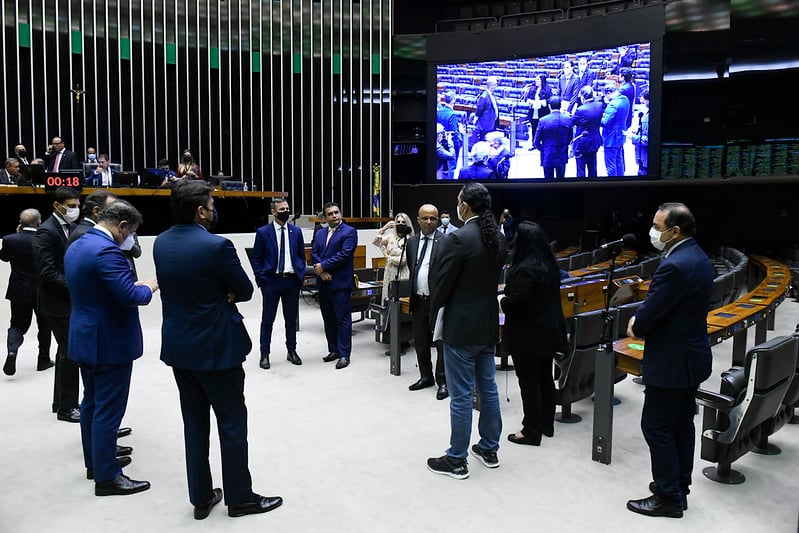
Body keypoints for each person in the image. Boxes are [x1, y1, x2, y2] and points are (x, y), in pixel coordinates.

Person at [154, 180, 282, 519]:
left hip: (180, 349)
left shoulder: (161, 243)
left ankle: (201, 496)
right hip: (217, 350)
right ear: (200, 210)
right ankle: (240, 497)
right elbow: (244, 289)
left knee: (194, 425)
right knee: (231, 424)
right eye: (212, 204)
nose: (215, 208)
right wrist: (224, 292)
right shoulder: (217, 246)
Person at [625, 202, 713, 519]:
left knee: (657, 427)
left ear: (674, 231)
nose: (652, 232)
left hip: (671, 361)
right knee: (680, 425)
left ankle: (668, 497)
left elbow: (650, 314)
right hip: (691, 356)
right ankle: (679, 487)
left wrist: (637, 322)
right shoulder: (699, 257)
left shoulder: (674, 265)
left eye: (657, 227)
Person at [64, 200, 157, 496]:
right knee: (107, 410)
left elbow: (102, 288)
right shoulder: (108, 251)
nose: (129, 240)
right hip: (108, 340)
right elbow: (131, 296)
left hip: (84, 334)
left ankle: (96, 462)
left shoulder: (79, 243)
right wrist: (149, 286)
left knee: (91, 403)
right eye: (130, 233)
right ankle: (107, 477)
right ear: (123, 227)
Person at [427, 183, 506, 479]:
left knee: (460, 396)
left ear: (466, 206)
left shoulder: (458, 238)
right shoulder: (497, 236)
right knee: (488, 389)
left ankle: (456, 459)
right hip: (487, 324)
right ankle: (489, 447)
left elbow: (441, 283)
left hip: (461, 327)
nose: (457, 205)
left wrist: (434, 310)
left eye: (458, 200)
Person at [499, 222, 566, 446]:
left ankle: (531, 430)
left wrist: (501, 301)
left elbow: (518, 302)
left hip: (529, 333)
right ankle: (547, 424)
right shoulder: (549, 264)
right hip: (548, 331)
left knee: (529, 382)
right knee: (545, 379)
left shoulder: (526, 267)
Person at [32, 187, 81, 423]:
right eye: (71, 205)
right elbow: (46, 272)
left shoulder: (67, 228)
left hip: (65, 301)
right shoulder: (47, 232)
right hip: (56, 303)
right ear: (57, 206)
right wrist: (76, 286)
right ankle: (68, 407)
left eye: (77, 204)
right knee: (70, 353)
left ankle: (60, 401)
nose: (75, 209)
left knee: (65, 352)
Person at [251, 197, 306, 370]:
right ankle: (265, 354)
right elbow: (257, 258)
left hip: (291, 281)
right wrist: (261, 279)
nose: (286, 212)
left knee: (291, 319)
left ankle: (292, 350)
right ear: (273, 212)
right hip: (271, 282)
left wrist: (300, 274)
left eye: (287, 208)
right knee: (268, 320)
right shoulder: (263, 232)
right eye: (282, 209)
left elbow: (301, 256)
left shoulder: (296, 231)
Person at [1, 209, 53, 376]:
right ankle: (43, 360)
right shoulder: (45, 239)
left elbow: (4, 257)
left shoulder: (10, 240)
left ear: (20, 223)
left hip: (19, 289)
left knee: (16, 324)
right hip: (42, 290)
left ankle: (12, 351)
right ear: (39, 223)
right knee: (44, 326)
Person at [406, 204, 447, 400]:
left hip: (437, 301)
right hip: (418, 300)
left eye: (433, 218)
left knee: (440, 344)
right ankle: (425, 376)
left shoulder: (446, 241)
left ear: (438, 220)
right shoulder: (412, 242)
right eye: (425, 218)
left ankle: (443, 381)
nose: (429, 222)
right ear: (418, 220)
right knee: (420, 342)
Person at [311, 202, 357, 370]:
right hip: (324, 282)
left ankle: (345, 355)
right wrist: (321, 271)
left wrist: (324, 266)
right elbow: (314, 253)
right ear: (325, 217)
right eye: (330, 213)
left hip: (340, 283)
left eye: (337, 212)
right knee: (328, 318)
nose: (334, 216)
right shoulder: (320, 233)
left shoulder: (349, 232)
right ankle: (334, 350)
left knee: (342, 319)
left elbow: (345, 254)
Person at [372, 212, 413, 305]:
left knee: (398, 302)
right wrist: (384, 228)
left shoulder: (409, 239)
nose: (400, 224)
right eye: (398, 221)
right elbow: (375, 242)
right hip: (389, 272)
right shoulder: (391, 237)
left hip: (402, 273)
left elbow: (402, 261)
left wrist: (388, 257)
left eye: (403, 222)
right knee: (387, 298)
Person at [533, 96, 573, 179]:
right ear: (560, 106)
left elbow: (536, 142)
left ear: (549, 106)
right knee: (561, 181)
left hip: (547, 155)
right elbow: (570, 138)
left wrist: (543, 149)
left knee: (548, 183)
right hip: (561, 154)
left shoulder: (543, 120)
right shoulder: (567, 119)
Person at [571, 86, 604, 178]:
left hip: (582, 144)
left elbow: (572, 122)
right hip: (595, 141)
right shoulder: (600, 105)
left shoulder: (580, 110)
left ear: (582, 97)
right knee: (593, 169)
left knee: (581, 171)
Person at [601, 81, 630, 177]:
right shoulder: (625, 99)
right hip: (621, 135)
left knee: (611, 165)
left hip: (611, 139)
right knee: (619, 160)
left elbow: (605, 123)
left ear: (608, 93)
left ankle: (612, 185)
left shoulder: (613, 104)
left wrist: (597, 117)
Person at [522, 74, 552, 150]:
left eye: (538, 80)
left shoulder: (548, 89)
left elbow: (550, 99)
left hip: (543, 111)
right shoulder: (532, 88)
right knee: (534, 127)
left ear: (542, 81)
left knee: (543, 128)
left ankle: (544, 144)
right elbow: (527, 97)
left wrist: (542, 102)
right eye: (536, 79)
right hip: (534, 111)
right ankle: (534, 144)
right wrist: (530, 101)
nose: (536, 81)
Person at [437, 92, 462, 177]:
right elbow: (454, 132)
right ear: (453, 100)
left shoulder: (439, 111)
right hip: (452, 143)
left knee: (444, 165)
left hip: (441, 142)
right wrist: (460, 139)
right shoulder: (452, 114)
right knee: (452, 166)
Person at [473, 77, 499, 141]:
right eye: (495, 84)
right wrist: (475, 119)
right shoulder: (484, 96)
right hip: (485, 124)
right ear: (491, 86)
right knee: (484, 142)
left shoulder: (491, 95)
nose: (496, 86)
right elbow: (479, 110)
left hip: (491, 122)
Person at [632, 89, 650, 176]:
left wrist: (633, 137)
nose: (642, 105)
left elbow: (648, 140)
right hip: (643, 159)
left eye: (643, 103)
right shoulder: (647, 113)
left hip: (646, 159)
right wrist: (639, 131)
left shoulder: (650, 116)